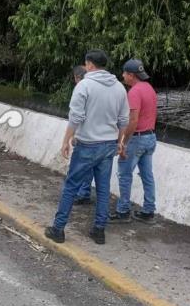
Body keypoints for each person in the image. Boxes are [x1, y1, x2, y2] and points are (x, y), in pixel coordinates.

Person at [45, 50, 129, 245]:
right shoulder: (119, 88)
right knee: (103, 189)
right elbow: (123, 119)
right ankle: (99, 231)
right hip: (108, 145)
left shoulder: (84, 85)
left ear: (89, 65)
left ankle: (58, 229)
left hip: (87, 145)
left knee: (71, 186)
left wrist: (66, 140)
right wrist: (120, 141)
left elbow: (76, 117)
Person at [109, 59, 158, 224]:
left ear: (131, 75)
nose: (122, 76)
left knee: (124, 174)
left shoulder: (134, 92)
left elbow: (133, 121)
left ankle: (123, 211)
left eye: (124, 73)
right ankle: (148, 210)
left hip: (137, 138)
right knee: (147, 175)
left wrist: (123, 142)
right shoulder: (149, 88)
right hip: (151, 137)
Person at [71, 65, 95, 205]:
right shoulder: (96, 88)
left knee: (80, 166)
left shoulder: (81, 89)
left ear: (76, 77)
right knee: (89, 167)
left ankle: (82, 193)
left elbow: (77, 115)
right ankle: (83, 192)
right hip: (97, 136)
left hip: (85, 135)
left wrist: (73, 134)